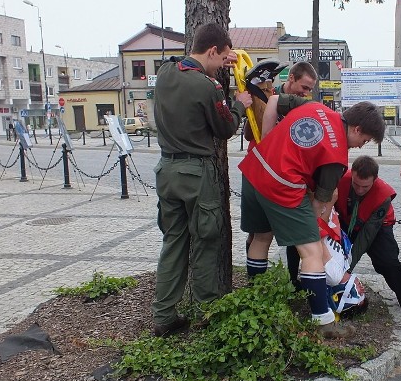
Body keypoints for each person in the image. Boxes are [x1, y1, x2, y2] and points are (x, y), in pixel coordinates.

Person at [239, 97, 386, 338]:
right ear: (356, 129)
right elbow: (319, 204)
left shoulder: (315, 107)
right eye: (364, 140)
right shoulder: (336, 157)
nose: (361, 146)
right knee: (312, 252)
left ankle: (256, 298)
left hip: (255, 170)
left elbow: (274, 100)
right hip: (282, 185)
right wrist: (315, 230)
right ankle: (324, 322)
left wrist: (266, 141)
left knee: (261, 238)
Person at [149, 23, 252, 337]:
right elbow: (224, 129)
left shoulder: (166, 73)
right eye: (221, 59)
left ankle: (164, 316)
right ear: (211, 51)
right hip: (196, 174)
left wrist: (224, 59)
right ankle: (209, 313)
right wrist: (240, 104)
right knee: (207, 242)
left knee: (174, 244)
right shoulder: (208, 87)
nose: (223, 65)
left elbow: (187, 65)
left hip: (166, 171)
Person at [335, 156, 401, 326]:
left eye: (365, 187)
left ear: (375, 180)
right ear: (352, 174)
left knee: (388, 263)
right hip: (346, 221)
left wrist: (346, 269)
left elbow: (365, 237)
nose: (360, 190)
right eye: (356, 185)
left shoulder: (382, 196)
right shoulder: (340, 179)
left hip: (376, 226)